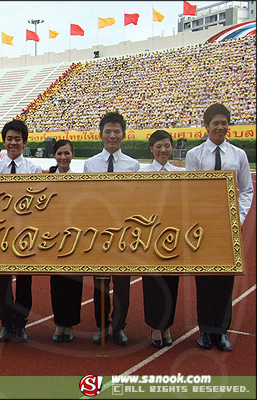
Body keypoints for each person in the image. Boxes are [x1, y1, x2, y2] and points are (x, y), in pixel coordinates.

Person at [185, 103, 253, 352]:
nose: (221, 127)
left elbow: (246, 189)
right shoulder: (195, 155)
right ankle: (205, 330)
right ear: (207, 126)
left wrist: (239, 217)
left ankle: (221, 331)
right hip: (203, 228)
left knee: (225, 280)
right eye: (216, 123)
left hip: (229, 227)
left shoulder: (238, 155)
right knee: (204, 279)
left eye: (224, 123)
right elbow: (190, 191)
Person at [83, 111, 140, 346]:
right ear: (101, 134)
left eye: (117, 131)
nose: (113, 135)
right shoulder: (90, 164)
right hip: (99, 233)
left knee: (123, 286)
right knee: (100, 284)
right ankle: (101, 325)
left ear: (124, 135)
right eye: (108, 131)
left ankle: (119, 327)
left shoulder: (133, 165)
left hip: (124, 233)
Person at [0, 119, 42, 343]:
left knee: (24, 280)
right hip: (0, 233)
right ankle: (5, 323)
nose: (13, 143)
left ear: (24, 142)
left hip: (25, 232)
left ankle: (21, 323)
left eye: (17, 139)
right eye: (9, 139)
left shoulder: (33, 169)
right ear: (4, 141)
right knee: (2, 280)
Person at [140, 130, 184, 348]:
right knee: (152, 284)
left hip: (173, 237)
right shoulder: (142, 173)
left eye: (167, 146)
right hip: (149, 238)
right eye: (158, 146)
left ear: (172, 147)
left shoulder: (181, 173)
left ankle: (167, 325)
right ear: (151, 149)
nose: (163, 150)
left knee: (171, 282)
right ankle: (156, 328)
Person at [47, 140, 83, 343]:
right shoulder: (48, 179)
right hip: (54, 239)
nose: (63, 157)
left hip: (75, 238)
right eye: (60, 153)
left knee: (74, 283)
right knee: (57, 283)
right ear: (54, 155)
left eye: (67, 153)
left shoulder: (79, 180)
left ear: (72, 155)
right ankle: (59, 323)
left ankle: (70, 325)